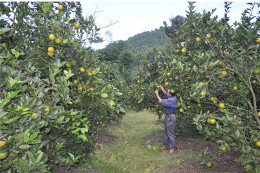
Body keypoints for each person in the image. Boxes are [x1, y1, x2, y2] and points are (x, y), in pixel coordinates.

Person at [155, 85, 177, 154]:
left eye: (168, 93)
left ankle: (172, 148)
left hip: (171, 118)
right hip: (167, 117)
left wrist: (157, 94)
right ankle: (166, 145)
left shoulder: (171, 100)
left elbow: (160, 101)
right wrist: (161, 86)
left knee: (170, 133)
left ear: (170, 95)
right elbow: (165, 92)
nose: (166, 93)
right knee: (166, 131)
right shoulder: (173, 96)